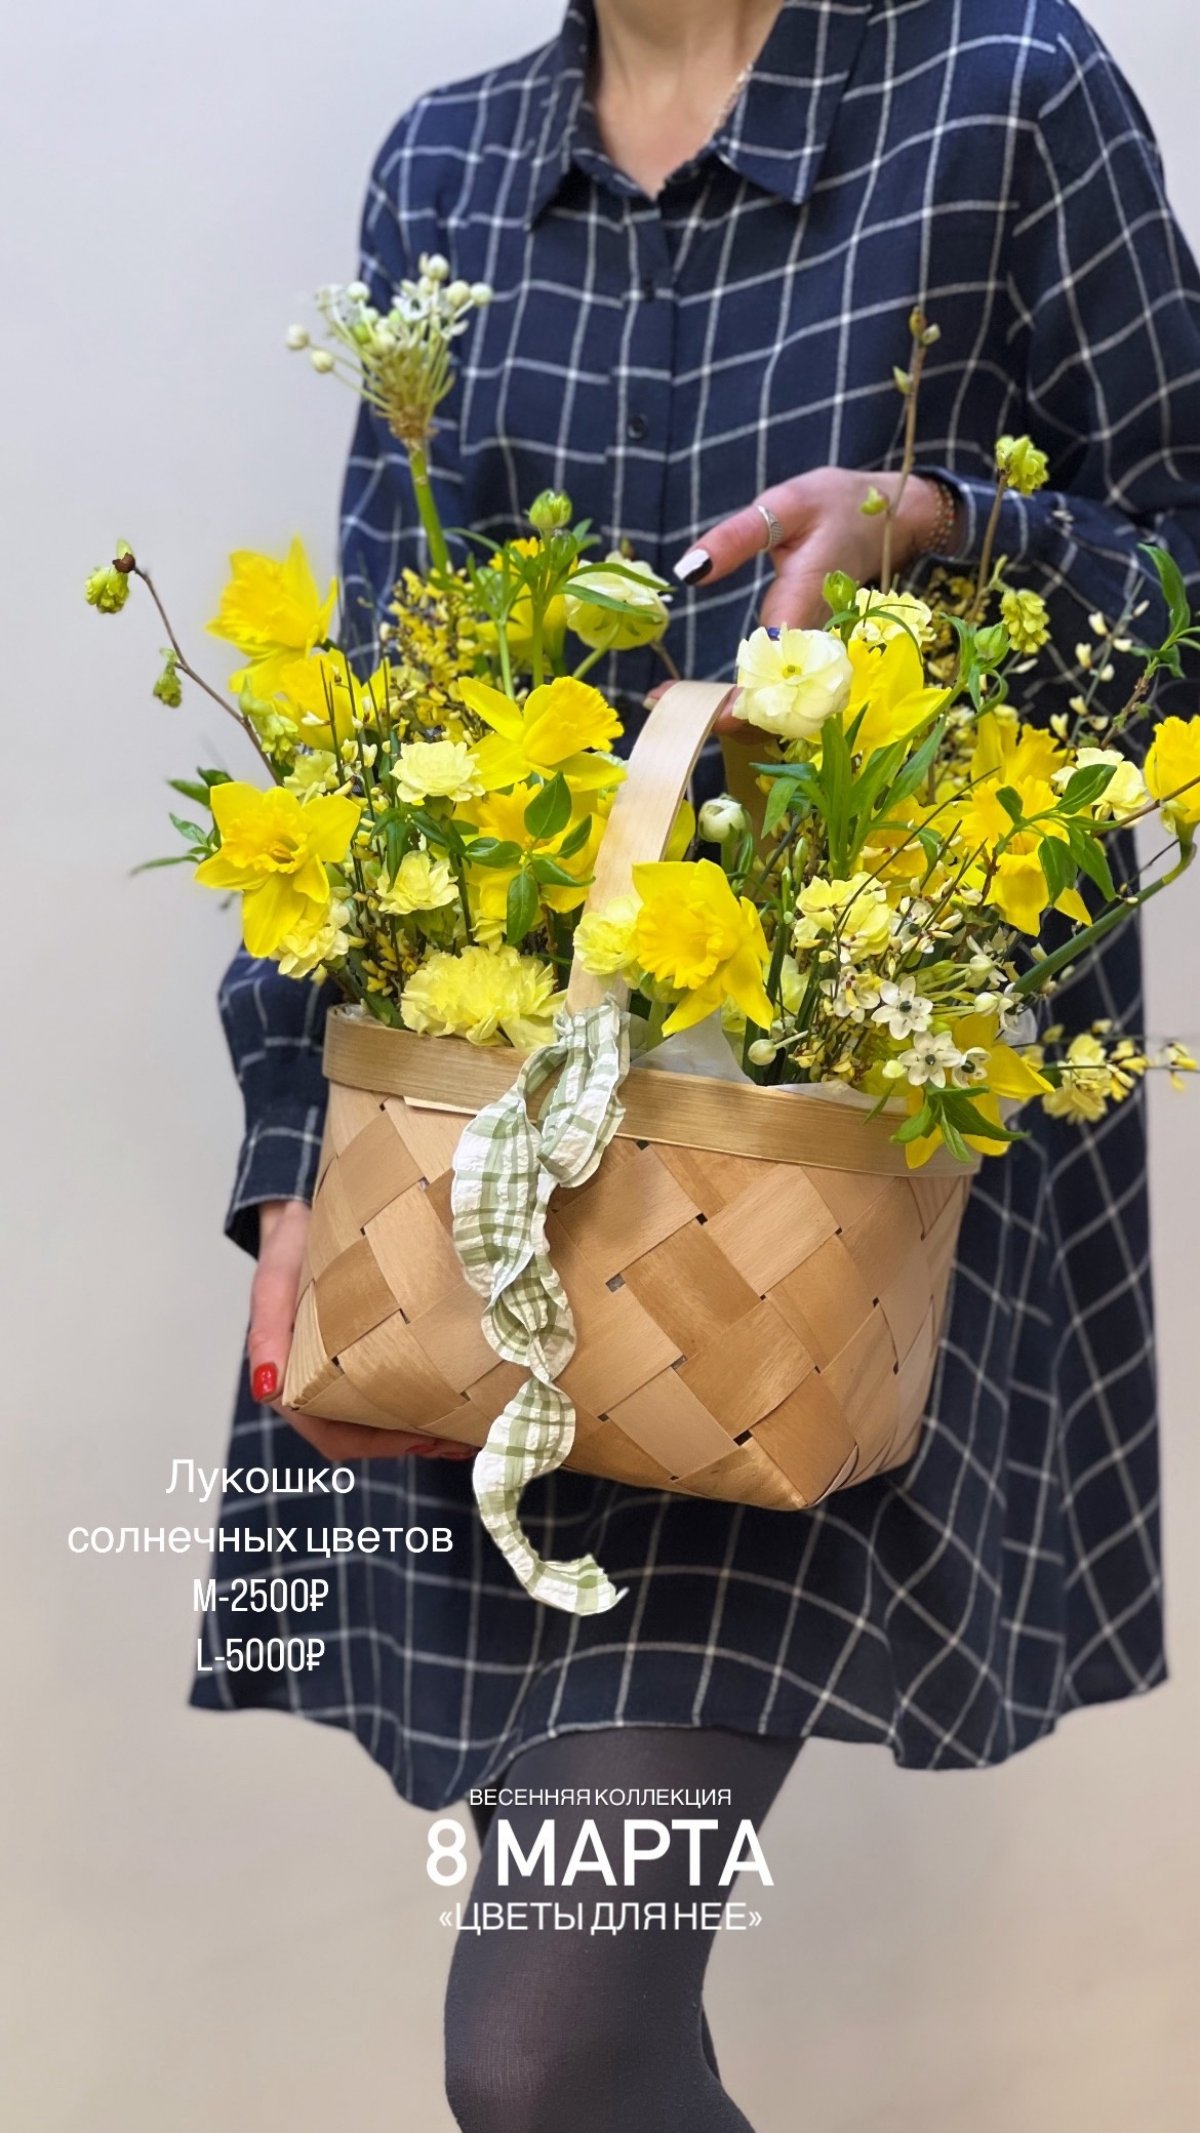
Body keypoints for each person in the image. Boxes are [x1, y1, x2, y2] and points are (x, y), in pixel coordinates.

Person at [193, 3, 1200, 2127]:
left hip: (819, 1235)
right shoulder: (449, 168)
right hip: (487, 1212)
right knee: (608, 2047)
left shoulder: (1005, 89)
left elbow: (1188, 585)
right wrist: (295, 1170)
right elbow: (372, 709)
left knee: (547, 2051)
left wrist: (955, 529)